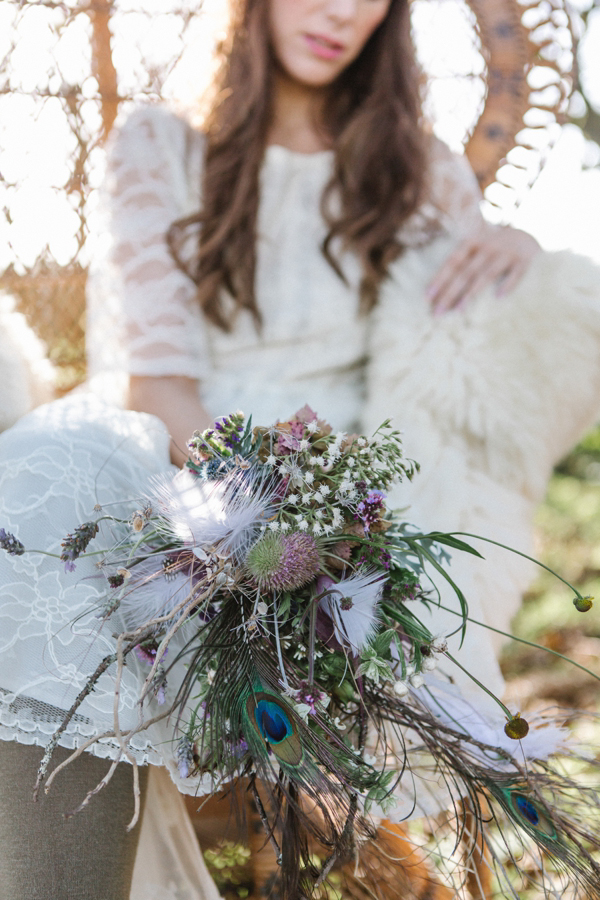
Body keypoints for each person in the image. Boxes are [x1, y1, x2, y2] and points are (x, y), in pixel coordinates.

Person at [1, 1, 600, 898]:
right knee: (52, 495)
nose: (341, 12)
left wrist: (516, 249)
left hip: (345, 454)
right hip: (184, 435)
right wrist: (247, 496)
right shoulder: (158, 144)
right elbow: (157, 382)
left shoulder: (418, 168)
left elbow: (452, 325)